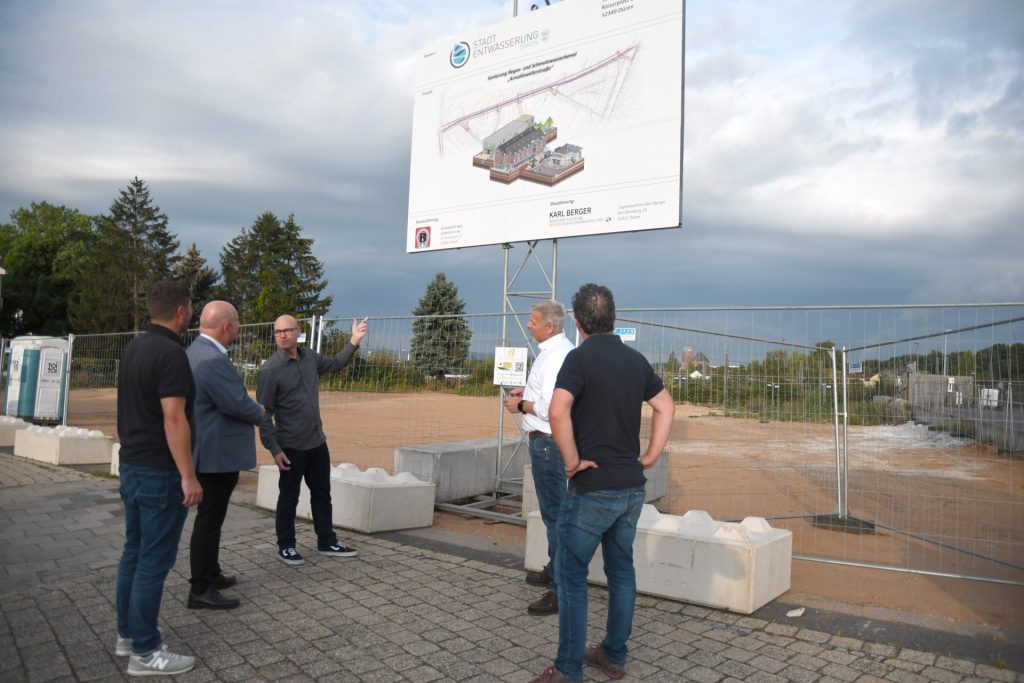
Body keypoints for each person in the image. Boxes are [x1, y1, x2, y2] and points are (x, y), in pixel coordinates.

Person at [530, 283, 675, 683]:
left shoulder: (578, 360)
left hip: (592, 488)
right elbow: (666, 405)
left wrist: (573, 462)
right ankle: (612, 654)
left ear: (578, 323)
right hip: (631, 486)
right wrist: (650, 455)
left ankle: (567, 668)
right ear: (614, 318)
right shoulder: (635, 360)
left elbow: (558, 411)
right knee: (621, 571)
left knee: (571, 575)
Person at [114, 280, 203, 677]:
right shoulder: (171, 353)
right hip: (160, 472)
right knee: (153, 561)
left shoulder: (134, 348)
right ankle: (146, 652)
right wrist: (188, 475)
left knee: (134, 553)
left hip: (132, 464)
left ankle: (129, 635)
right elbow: (173, 417)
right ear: (182, 311)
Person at [257, 314, 368, 565]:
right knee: (289, 497)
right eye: (278, 332)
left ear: (298, 332)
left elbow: (336, 364)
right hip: (290, 447)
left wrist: (354, 340)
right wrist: (275, 449)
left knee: (322, 494)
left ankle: (326, 541)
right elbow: (264, 417)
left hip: (317, 442)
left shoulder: (310, 358)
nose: (283, 335)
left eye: (288, 330)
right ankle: (286, 546)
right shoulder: (269, 371)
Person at [185, 301, 265, 609]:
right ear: (227, 326)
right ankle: (200, 588)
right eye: (238, 324)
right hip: (216, 454)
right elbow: (234, 403)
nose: (239, 329)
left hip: (206, 449)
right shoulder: (212, 359)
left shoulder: (194, 352)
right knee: (209, 520)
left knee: (212, 519)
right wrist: (259, 411)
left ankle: (211, 573)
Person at [503, 300, 574, 616]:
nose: (528, 325)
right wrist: (527, 394)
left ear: (549, 326)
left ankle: (560, 589)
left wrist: (520, 406)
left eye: (533, 321)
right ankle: (553, 569)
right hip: (549, 442)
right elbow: (547, 397)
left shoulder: (556, 356)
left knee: (556, 517)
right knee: (553, 515)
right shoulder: (555, 352)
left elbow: (549, 408)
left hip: (548, 443)